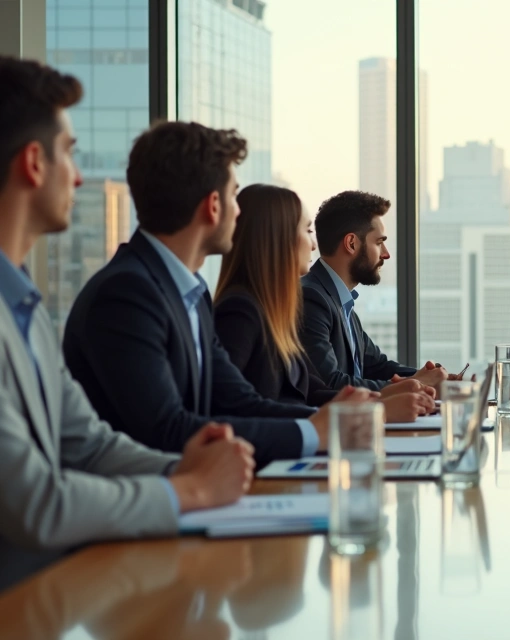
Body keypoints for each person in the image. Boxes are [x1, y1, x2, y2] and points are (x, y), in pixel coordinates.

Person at [0, 56, 253, 589]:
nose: (81, 174)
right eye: (69, 153)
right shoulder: (118, 293)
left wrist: (182, 468)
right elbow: (38, 503)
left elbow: (89, 443)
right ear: (33, 164)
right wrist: (191, 490)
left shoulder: (24, 306)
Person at [62, 121, 375, 468]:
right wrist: (315, 432)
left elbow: (238, 400)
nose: (239, 212)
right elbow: (165, 429)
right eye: (233, 196)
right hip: (146, 508)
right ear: (213, 206)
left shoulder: (190, 295)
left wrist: (331, 422)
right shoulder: (126, 295)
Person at [213, 184, 434, 422]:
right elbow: (234, 408)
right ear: (278, 238)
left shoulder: (273, 311)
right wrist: (375, 410)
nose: (314, 244)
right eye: (307, 231)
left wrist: (396, 391)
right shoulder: (242, 311)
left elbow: (315, 390)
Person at [301, 190, 448, 391]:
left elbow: (377, 367)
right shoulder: (312, 299)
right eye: (379, 242)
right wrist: (417, 384)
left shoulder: (341, 301)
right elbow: (330, 384)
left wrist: (435, 380)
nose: (386, 254)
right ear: (351, 243)